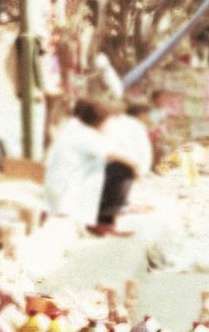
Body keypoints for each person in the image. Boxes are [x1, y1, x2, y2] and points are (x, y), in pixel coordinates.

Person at [43, 98, 115, 231]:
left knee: (61, 214)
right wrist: (136, 168)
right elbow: (114, 155)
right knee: (62, 220)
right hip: (66, 186)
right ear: (100, 121)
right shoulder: (86, 135)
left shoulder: (75, 129)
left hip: (60, 183)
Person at [93, 102, 154, 236]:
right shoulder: (127, 124)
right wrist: (134, 165)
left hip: (113, 166)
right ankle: (105, 221)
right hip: (112, 166)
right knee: (123, 171)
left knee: (125, 173)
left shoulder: (128, 124)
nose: (151, 118)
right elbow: (120, 149)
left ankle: (117, 210)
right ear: (142, 114)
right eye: (149, 115)